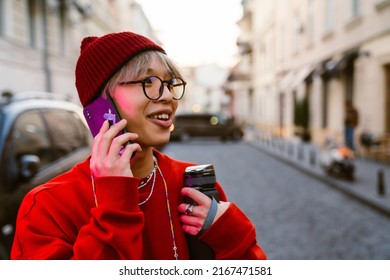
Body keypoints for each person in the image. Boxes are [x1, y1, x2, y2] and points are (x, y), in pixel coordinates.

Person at [11, 32, 266, 260]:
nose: (167, 96)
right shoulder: (48, 204)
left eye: (169, 83)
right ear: (101, 108)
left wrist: (231, 234)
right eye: (148, 82)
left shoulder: (192, 184)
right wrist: (114, 206)